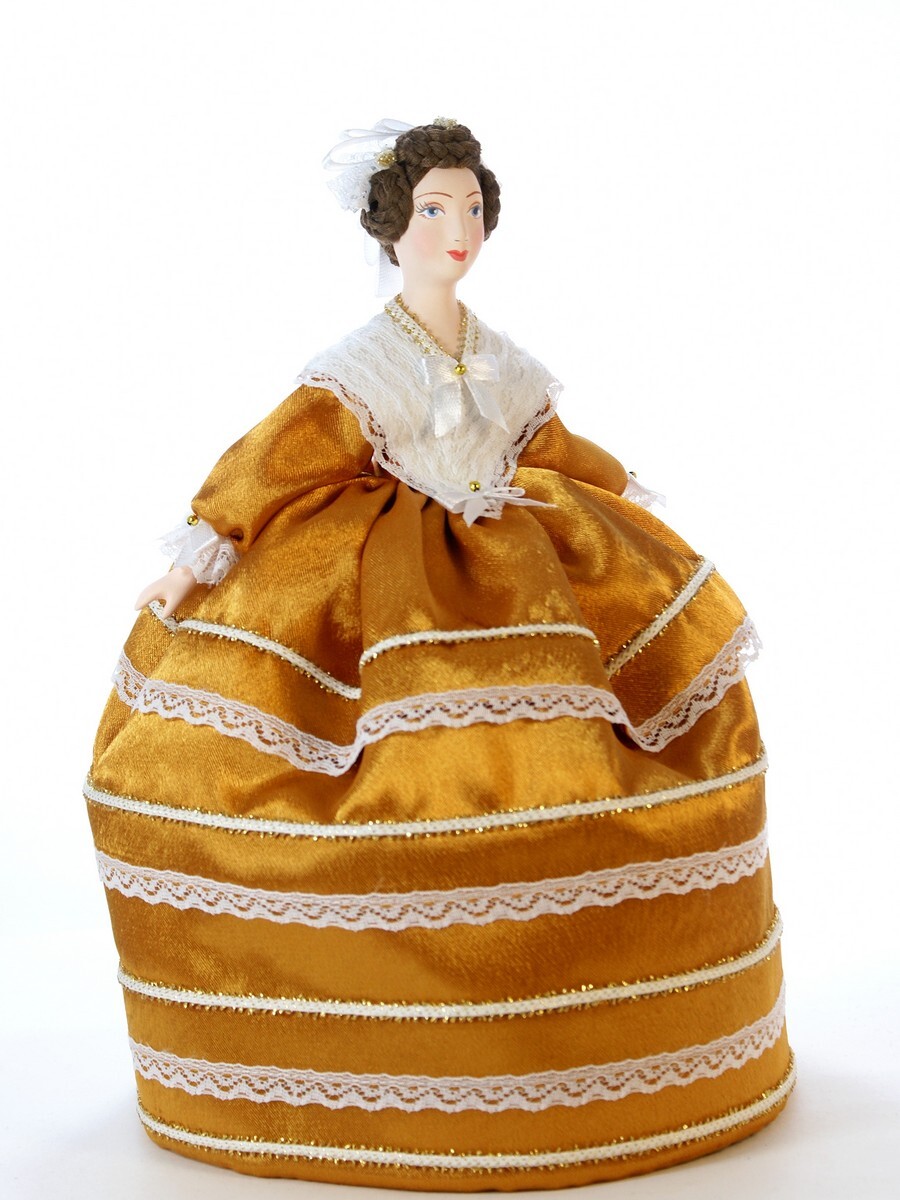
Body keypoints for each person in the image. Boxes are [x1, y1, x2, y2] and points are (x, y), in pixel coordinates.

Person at [86, 118, 792, 1189]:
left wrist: (619, 502)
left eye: (470, 209)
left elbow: (552, 446)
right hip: (381, 595)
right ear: (391, 226)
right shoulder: (359, 368)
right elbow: (275, 462)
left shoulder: (499, 356)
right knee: (345, 782)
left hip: (522, 571)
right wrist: (194, 563)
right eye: (432, 210)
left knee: (608, 752)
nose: (456, 230)